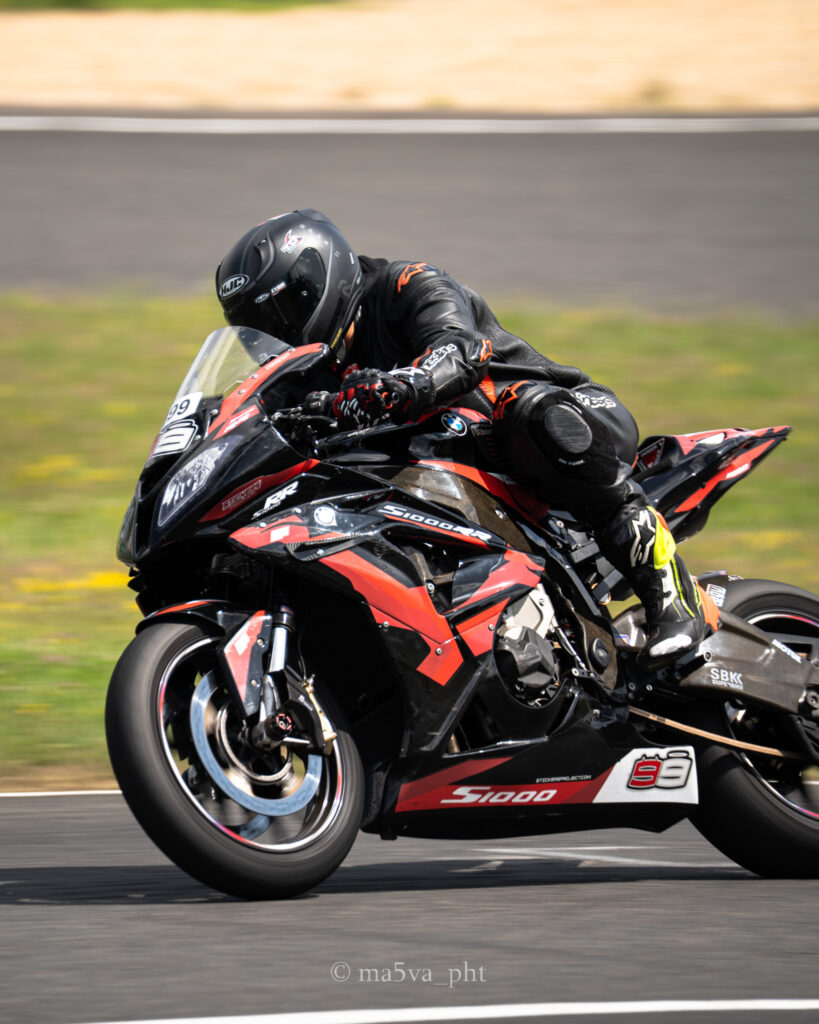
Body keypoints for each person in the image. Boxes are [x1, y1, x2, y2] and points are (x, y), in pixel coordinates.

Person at [215, 208, 709, 666]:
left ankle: (672, 594)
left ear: (319, 279)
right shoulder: (309, 371)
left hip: (566, 422)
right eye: (256, 327)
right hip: (456, 476)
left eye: (281, 312)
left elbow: (459, 350)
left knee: (532, 413)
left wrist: (401, 385)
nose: (276, 334)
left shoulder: (406, 285)